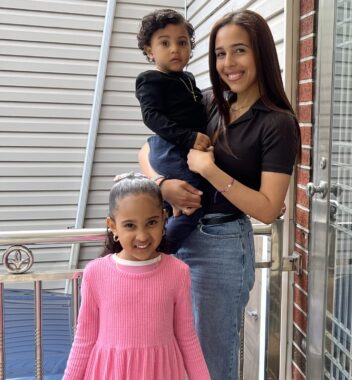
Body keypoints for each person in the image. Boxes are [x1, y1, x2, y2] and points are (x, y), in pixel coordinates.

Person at [138, 9, 301, 380]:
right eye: (220, 53)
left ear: (261, 53)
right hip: (179, 232)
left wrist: (209, 169)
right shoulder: (209, 101)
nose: (228, 63)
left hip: (221, 246)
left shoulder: (277, 122)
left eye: (239, 50)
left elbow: (268, 208)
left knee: (211, 361)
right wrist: (163, 184)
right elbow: (147, 150)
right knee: (172, 351)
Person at [63, 172, 211, 380]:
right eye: (130, 225)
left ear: (163, 219)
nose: (142, 236)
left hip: (161, 372)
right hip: (109, 373)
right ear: (113, 226)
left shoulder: (178, 272)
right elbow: (84, 339)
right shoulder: (95, 273)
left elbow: (187, 336)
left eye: (151, 222)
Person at [135, 9, 210, 253]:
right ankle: (162, 250)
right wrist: (189, 137)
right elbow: (151, 117)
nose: (175, 49)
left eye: (182, 42)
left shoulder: (187, 78)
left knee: (177, 204)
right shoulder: (150, 79)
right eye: (164, 43)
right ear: (149, 50)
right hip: (169, 147)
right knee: (194, 198)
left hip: (182, 147)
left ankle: (163, 229)